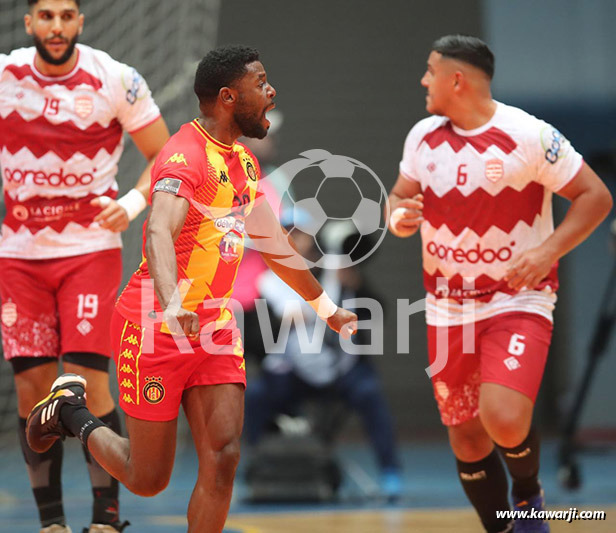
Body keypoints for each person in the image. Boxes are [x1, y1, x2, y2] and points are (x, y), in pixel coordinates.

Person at [25, 44, 358, 533]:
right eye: (261, 84)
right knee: (147, 478)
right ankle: (71, 413)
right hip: (154, 323)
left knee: (223, 458)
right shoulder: (184, 156)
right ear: (228, 97)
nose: (271, 92)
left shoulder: (243, 165)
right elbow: (158, 230)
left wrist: (328, 308)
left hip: (215, 327)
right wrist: (172, 301)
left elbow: (277, 250)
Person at [388, 35, 612, 533]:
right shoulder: (423, 136)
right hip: (447, 307)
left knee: (504, 418)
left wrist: (548, 250)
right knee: (467, 439)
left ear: (457, 80)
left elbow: (595, 196)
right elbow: (400, 196)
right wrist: (399, 217)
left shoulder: (530, 136)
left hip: (517, 299)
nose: (424, 80)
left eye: (430, 71)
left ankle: (528, 499)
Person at [0, 1, 169, 532]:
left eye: (66, 15)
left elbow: (163, 160)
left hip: (89, 248)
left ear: (80, 22)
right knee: (32, 389)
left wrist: (134, 205)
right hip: (20, 254)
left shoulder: (114, 78)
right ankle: (51, 523)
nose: (56, 26)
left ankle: (106, 518)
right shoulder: (6, 76)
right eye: (45, 16)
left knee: (87, 384)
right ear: (28, 23)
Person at [245, 224, 402, 500]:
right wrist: (282, 322)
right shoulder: (269, 283)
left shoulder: (337, 272)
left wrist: (358, 284)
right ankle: (256, 467)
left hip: (342, 370)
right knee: (255, 396)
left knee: (370, 393)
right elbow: (254, 341)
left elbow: (378, 313)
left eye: (299, 234)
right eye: (286, 234)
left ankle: (390, 473)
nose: (293, 241)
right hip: (294, 372)